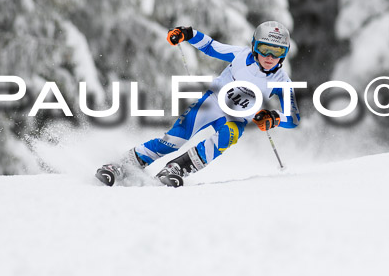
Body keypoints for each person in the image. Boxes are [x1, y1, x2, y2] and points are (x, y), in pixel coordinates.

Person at [95, 21, 300, 187]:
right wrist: (187, 34)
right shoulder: (240, 56)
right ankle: (122, 164)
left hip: (237, 119)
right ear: (255, 46)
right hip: (211, 104)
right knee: (175, 140)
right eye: (265, 49)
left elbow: (293, 118)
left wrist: (274, 118)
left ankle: (177, 168)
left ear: (285, 53)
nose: (270, 57)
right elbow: (211, 47)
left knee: (227, 137)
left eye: (278, 52)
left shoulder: (282, 81)